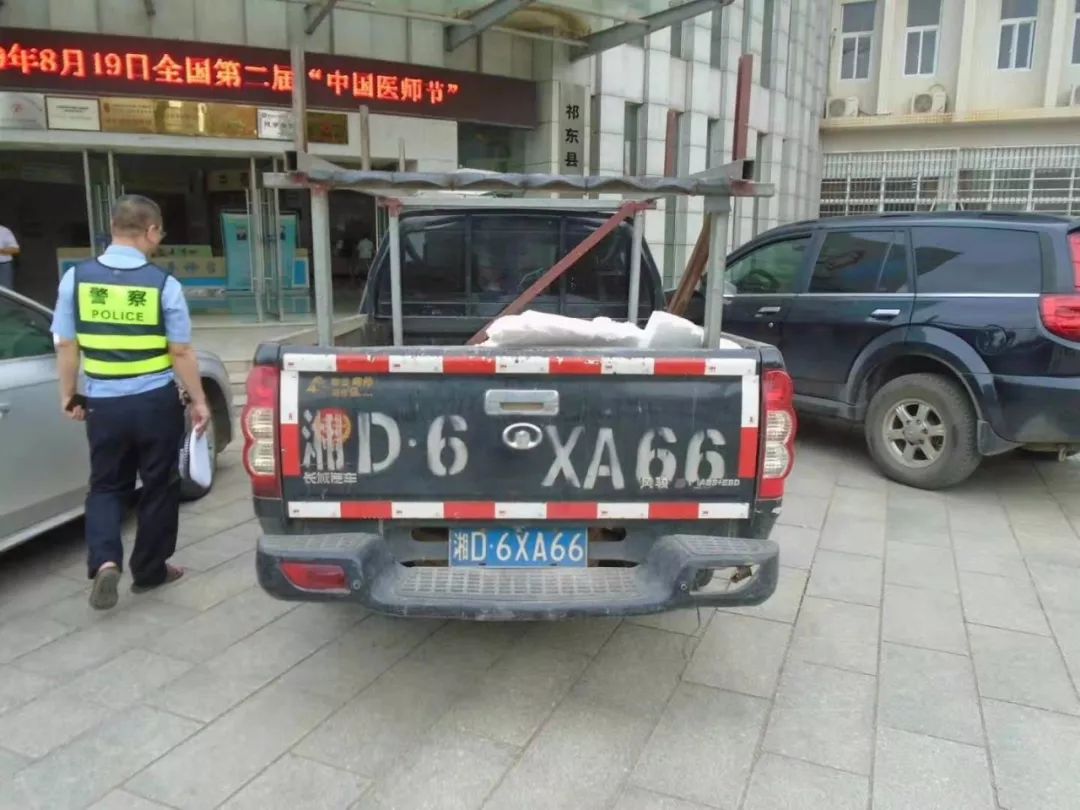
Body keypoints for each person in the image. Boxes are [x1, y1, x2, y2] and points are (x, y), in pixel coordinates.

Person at [51, 195, 211, 610]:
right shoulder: (164, 284)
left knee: (106, 485)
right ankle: (150, 570)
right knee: (159, 485)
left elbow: (66, 343)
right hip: (155, 403)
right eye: (160, 234)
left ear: (112, 227)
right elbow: (181, 351)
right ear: (151, 231)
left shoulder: (75, 280)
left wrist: (68, 394)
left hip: (103, 403)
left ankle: (105, 560)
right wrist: (199, 400)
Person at [0, 222, 19, 289]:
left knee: (5, 290)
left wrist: (1, 251)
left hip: (3, 266)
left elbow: (15, 249)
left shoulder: (4, 231)